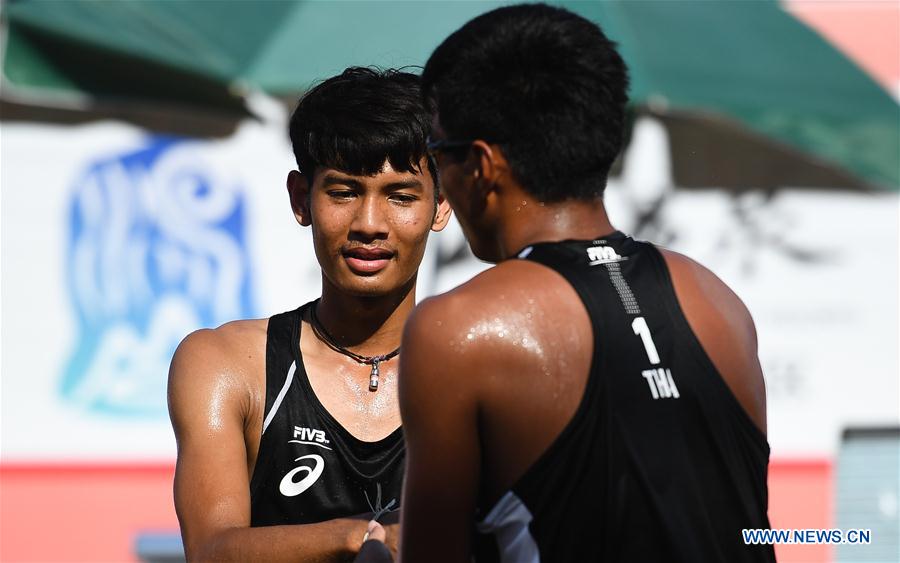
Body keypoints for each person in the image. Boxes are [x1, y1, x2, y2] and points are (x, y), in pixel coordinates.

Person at [394, 4, 776, 562]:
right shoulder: (718, 302)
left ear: (479, 166)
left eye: (436, 154)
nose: (438, 181)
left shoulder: (458, 330)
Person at [168, 67, 451, 562]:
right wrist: (358, 537)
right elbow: (211, 551)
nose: (369, 224)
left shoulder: (481, 368)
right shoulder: (226, 363)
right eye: (343, 192)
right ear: (302, 199)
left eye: (401, 196)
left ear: (441, 205)